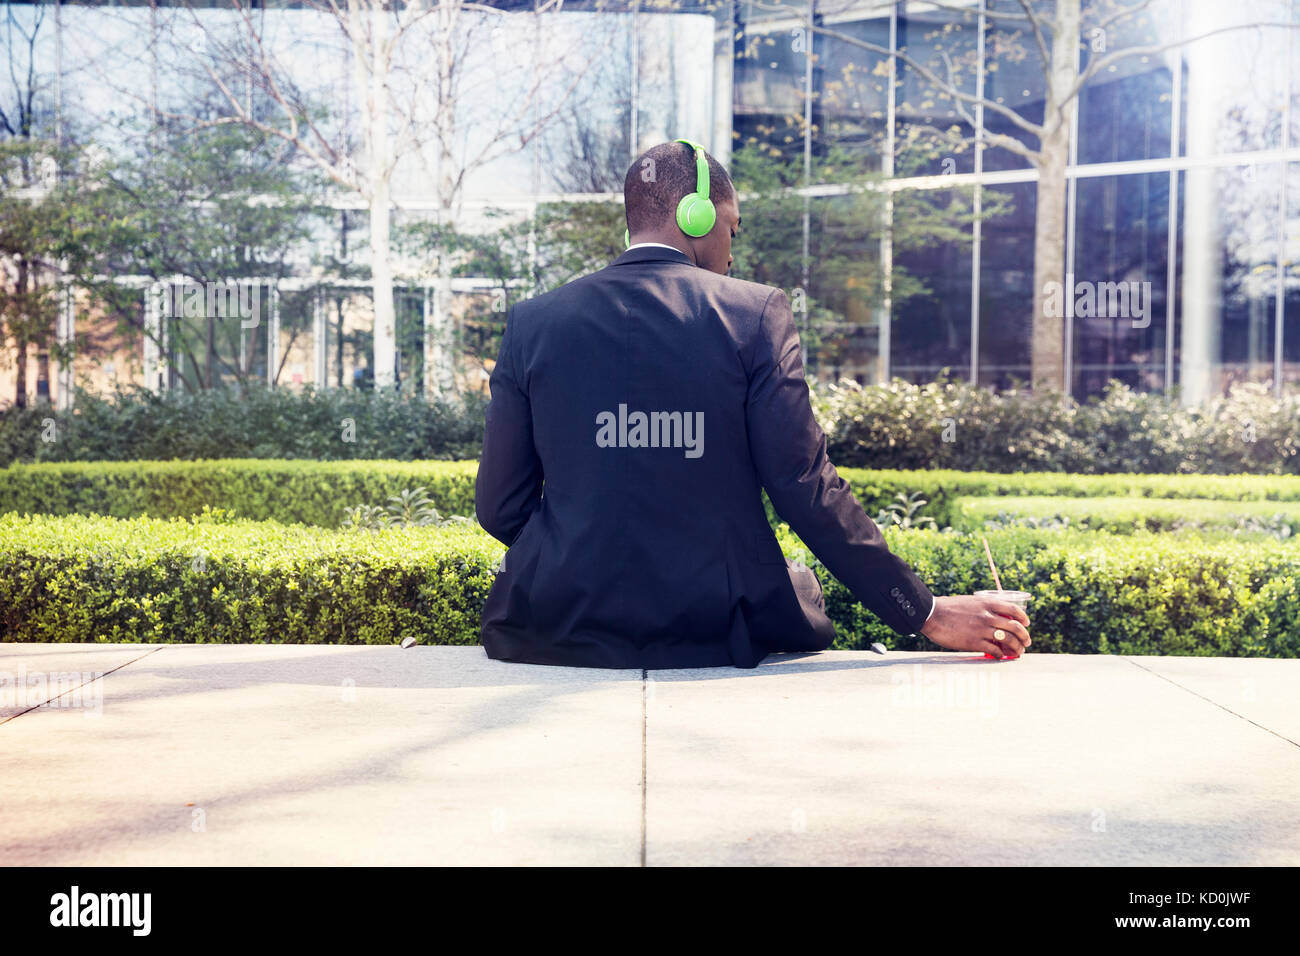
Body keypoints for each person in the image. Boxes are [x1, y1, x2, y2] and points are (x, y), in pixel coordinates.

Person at [474, 139, 1030, 668]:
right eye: (733, 227)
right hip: (718, 626)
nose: (733, 253)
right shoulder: (756, 313)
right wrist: (925, 612)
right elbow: (804, 486)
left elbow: (500, 506)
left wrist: (575, 553)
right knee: (797, 581)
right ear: (698, 215)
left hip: (554, 622)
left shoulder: (532, 322)